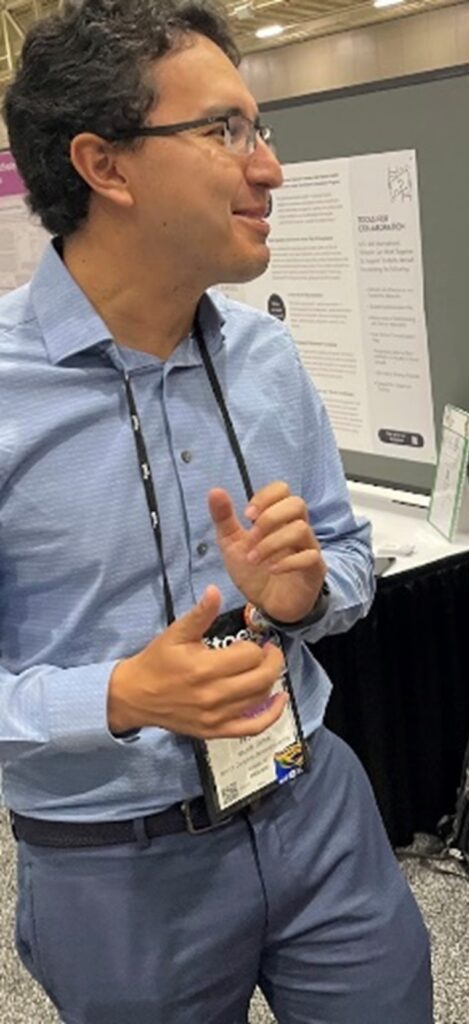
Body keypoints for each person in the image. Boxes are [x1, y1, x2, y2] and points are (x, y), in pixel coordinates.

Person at [0, 2, 432, 1021]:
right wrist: (117, 696)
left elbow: (347, 557)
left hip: (314, 802)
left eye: (260, 129)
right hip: (117, 869)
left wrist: (302, 594)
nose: (270, 168)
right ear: (106, 166)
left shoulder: (265, 356)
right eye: (225, 131)